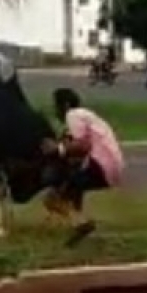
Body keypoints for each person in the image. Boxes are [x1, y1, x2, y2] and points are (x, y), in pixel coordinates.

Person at [41, 87, 125, 247]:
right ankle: (78, 226)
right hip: (112, 166)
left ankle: (81, 223)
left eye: (55, 106)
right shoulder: (86, 115)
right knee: (73, 188)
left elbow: (82, 145)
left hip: (101, 164)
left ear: (65, 105)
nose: (54, 111)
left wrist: (58, 149)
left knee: (52, 198)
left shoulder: (73, 115)